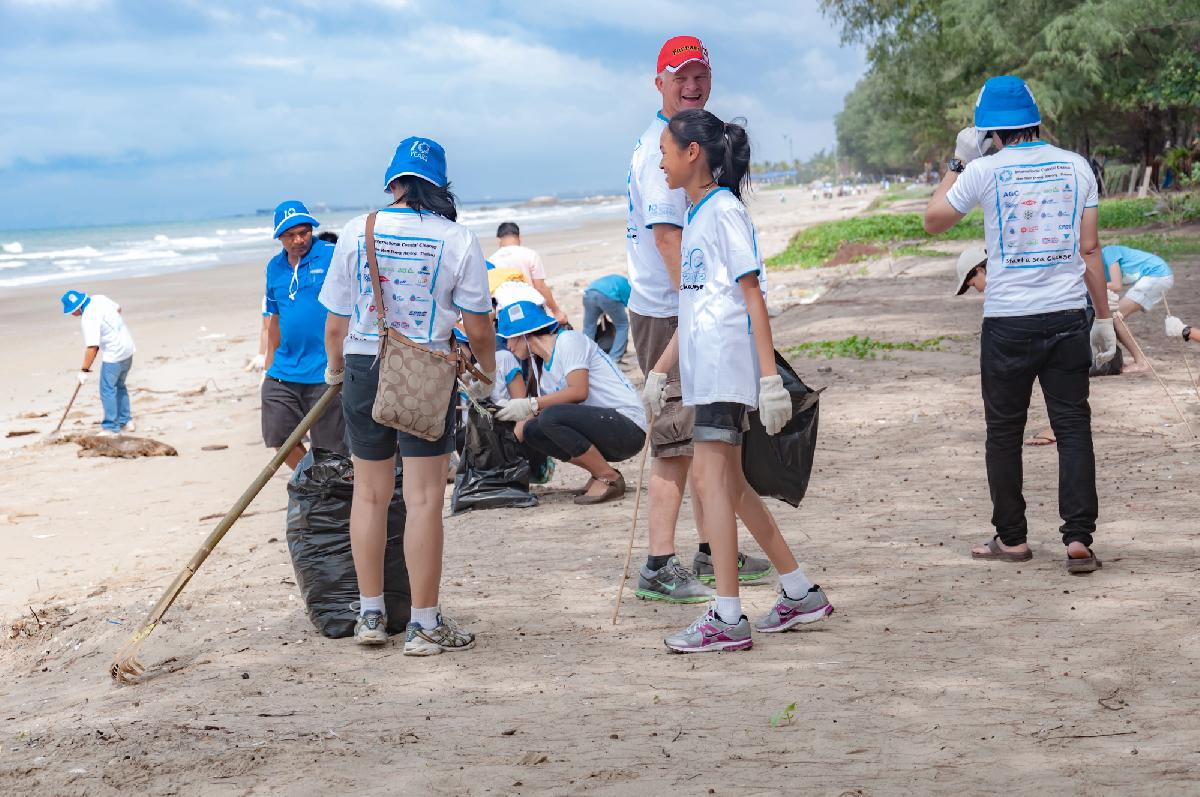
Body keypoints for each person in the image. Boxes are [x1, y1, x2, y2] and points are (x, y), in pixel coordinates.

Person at [645, 109, 833, 652]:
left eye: (665, 149)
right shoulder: (697, 215)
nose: (660, 160)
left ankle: (727, 617)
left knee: (711, 486)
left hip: (728, 374)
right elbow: (695, 307)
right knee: (731, 488)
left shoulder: (724, 212)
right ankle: (799, 592)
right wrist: (660, 371)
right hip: (705, 376)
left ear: (692, 153)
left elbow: (753, 295)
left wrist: (770, 380)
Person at [923, 75, 1116, 574]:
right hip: (1069, 315)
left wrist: (957, 162)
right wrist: (1104, 319)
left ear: (989, 132)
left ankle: (1012, 539)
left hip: (1008, 322)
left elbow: (934, 219)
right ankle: (1078, 540)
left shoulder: (984, 170)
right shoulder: (1077, 167)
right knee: (1073, 428)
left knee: (1004, 434)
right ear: (1036, 121)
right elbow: (1090, 249)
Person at [319, 135, 497, 652]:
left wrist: (336, 372)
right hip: (425, 372)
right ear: (439, 186)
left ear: (393, 183)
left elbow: (335, 323)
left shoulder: (357, 231)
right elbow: (480, 328)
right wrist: (484, 375)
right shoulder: (457, 239)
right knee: (422, 500)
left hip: (362, 363)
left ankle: (371, 617)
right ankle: (423, 624)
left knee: (369, 495)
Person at [627, 35, 771, 604]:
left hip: (683, 311)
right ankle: (659, 563)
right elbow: (669, 242)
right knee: (678, 441)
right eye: (679, 77)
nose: (691, 87)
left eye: (699, 76)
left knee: (706, 437)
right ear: (659, 81)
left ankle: (715, 549)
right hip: (670, 311)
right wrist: (698, 314)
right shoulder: (661, 150)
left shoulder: (690, 143)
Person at [493, 301, 646, 505]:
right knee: (533, 430)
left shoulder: (569, 341)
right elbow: (536, 416)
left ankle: (608, 477)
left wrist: (531, 404)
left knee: (550, 416)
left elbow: (578, 391)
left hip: (628, 426)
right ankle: (598, 471)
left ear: (524, 334)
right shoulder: (542, 371)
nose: (509, 346)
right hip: (604, 427)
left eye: (510, 338)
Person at [261, 200, 348, 468]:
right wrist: (268, 364)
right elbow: (274, 319)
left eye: (304, 232)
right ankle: (315, 483)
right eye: (290, 235)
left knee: (330, 448)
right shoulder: (274, 268)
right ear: (279, 237)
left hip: (326, 369)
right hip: (284, 369)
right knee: (280, 437)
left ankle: (327, 492)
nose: (299, 240)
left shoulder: (333, 255)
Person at [60, 290, 136, 435]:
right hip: (128, 347)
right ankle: (126, 421)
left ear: (77, 308)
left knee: (107, 390)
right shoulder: (99, 298)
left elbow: (92, 347)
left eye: (71, 311)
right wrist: (111, 331)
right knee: (120, 385)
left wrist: (84, 370)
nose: (71, 314)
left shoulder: (88, 317)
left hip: (114, 354)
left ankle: (111, 428)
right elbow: (118, 309)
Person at [1102, 244, 1175, 374]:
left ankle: (1141, 363)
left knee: (1116, 317)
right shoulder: (1096, 267)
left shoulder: (1108, 252)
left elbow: (1116, 285)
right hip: (1154, 276)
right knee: (1111, 318)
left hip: (1157, 274)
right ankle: (1115, 360)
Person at [489, 222, 568, 324]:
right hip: (531, 307)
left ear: (498, 240)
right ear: (519, 237)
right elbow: (540, 287)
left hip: (506, 313)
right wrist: (556, 311)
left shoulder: (491, 261)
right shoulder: (530, 255)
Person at [582, 274, 631, 361]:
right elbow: (631, 305)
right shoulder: (629, 286)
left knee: (589, 327)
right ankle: (615, 358)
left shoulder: (617, 279)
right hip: (607, 296)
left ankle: (585, 358)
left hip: (588, 294)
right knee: (622, 325)